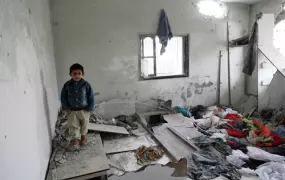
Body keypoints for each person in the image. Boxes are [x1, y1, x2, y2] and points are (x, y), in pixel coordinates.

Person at [60, 63, 94, 147]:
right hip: (72, 110)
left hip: (84, 110)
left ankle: (83, 137)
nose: (77, 75)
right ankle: (75, 139)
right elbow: (63, 96)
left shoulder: (86, 85)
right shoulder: (67, 85)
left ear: (83, 74)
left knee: (84, 124)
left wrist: (91, 106)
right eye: (74, 73)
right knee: (73, 125)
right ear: (70, 74)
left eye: (79, 73)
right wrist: (66, 106)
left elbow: (91, 96)